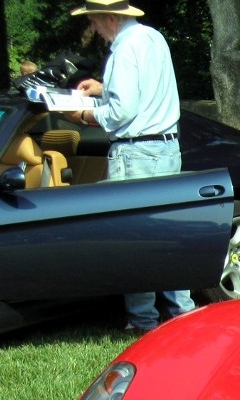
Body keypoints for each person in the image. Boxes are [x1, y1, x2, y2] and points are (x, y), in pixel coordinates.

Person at [67, 0, 192, 334]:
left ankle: (142, 320)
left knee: (135, 238)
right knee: (168, 235)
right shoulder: (153, 39)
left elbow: (121, 112)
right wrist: (102, 88)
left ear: (111, 18)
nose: (94, 29)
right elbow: (143, 90)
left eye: (94, 22)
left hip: (135, 152)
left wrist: (82, 115)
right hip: (166, 147)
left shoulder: (122, 51)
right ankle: (183, 313)